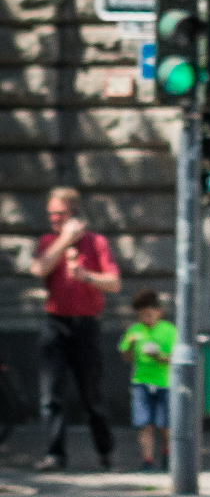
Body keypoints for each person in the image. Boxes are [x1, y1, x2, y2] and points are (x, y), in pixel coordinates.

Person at [31, 187, 121, 471]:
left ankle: (105, 451)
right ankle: (55, 455)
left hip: (86, 327)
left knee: (91, 395)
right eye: (51, 214)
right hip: (55, 325)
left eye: (60, 213)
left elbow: (114, 283)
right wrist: (65, 239)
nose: (54, 219)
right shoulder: (48, 241)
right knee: (51, 396)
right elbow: (39, 269)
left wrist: (86, 276)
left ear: (73, 213)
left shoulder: (96, 243)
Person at [119, 290, 176, 471]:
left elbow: (176, 359)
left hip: (164, 384)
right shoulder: (134, 331)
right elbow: (125, 357)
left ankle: (167, 453)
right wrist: (132, 345)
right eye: (142, 315)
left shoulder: (169, 331)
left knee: (164, 424)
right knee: (144, 424)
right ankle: (147, 460)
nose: (146, 318)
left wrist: (158, 356)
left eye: (149, 314)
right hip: (141, 383)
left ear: (159, 312)